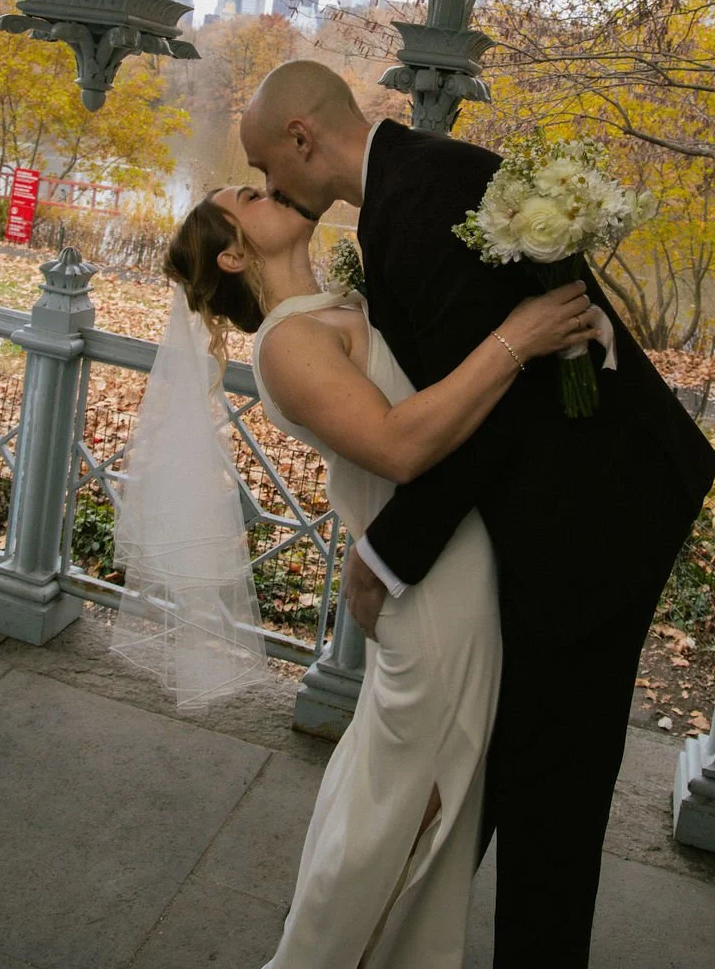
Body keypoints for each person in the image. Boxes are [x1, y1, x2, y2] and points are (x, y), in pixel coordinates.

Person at [240, 60, 715, 966]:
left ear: (303, 140)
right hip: (565, 510)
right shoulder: (419, 181)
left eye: (269, 169)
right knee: (504, 769)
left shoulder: (419, 206)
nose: (272, 189)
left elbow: (497, 413)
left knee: (553, 798)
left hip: (591, 522)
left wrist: (384, 556)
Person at [163, 185, 600, 966]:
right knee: (402, 812)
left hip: (444, 565)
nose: (275, 190)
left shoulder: (335, 305)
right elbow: (398, 445)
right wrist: (516, 337)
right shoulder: (286, 344)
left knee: (400, 803)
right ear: (233, 253)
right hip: (431, 592)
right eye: (251, 196)